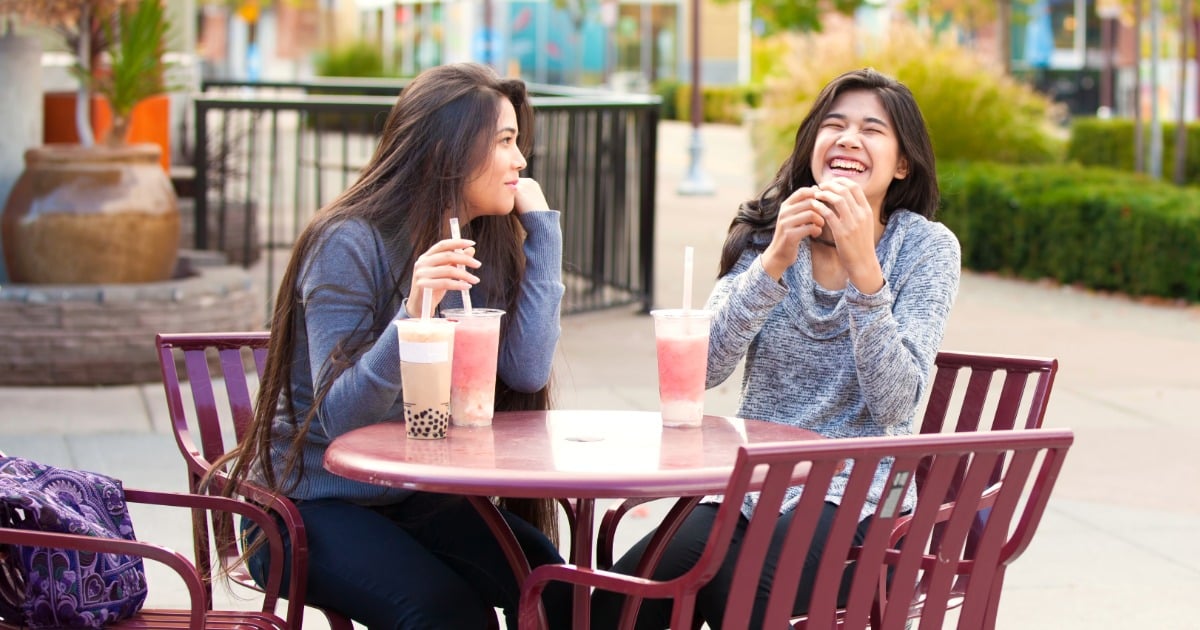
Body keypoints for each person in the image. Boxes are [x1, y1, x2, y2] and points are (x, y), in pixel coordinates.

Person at [593, 68, 962, 628]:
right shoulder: (768, 233)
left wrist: (866, 270)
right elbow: (703, 369)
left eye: (872, 129)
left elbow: (895, 406)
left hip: (863, 493)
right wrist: (772, 266)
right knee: (628, 597)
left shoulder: (926, 248)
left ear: (903, 163)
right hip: (752, 483)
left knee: (740, 591)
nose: (848, 139)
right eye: (833, 125)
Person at [211, 63, 572, 629]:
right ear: (448, 151)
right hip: (305, 505)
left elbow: (525, 372)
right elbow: (339, 420)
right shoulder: (349, 242)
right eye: (505, 141)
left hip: (411, 492)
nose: (521, 161)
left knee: (555, 586)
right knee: (447, 614)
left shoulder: (477, 243)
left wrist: (543, 235)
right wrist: (415, 315)